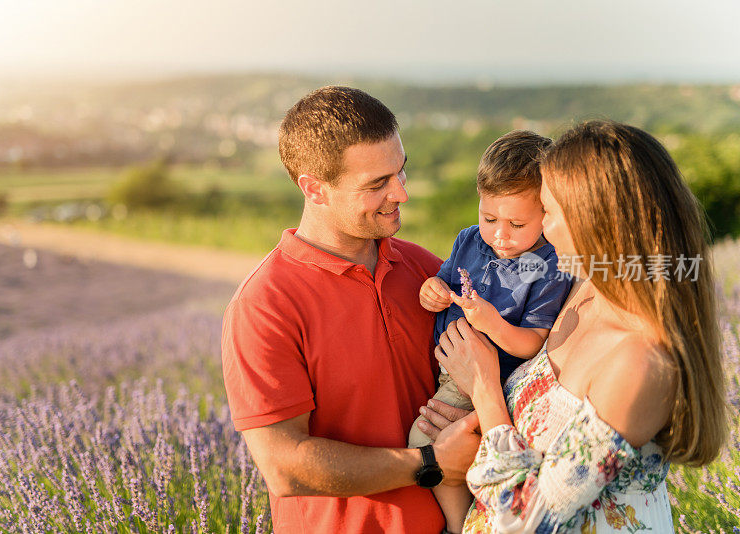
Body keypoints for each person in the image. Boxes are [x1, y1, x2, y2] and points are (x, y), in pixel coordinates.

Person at [421, 120, 727, 532]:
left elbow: (531, 520)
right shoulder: (584, 288)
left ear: (598, 220)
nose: (543, 228)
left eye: (550, 210)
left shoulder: (640, 362)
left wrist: (483, 389)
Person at [221, 86, 481, 534]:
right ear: (315, 190)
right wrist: (430, 464)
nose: (401, 193)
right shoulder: (264, 305)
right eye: (376, 184)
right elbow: (286, 467)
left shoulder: (426, 268)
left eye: (401, 172)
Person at [409, 130, 573, 533]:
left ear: (546, 215)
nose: (500, 234)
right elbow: (444, 286)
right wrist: (431, 290)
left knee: (421, 441)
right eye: (489, 218)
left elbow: (532, 342)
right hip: (448, 368)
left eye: (517, 223)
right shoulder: (468, 240)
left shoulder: (550, 265)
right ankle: (457, 519)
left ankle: (456, 523)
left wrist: (492, 324)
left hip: (489, 381)